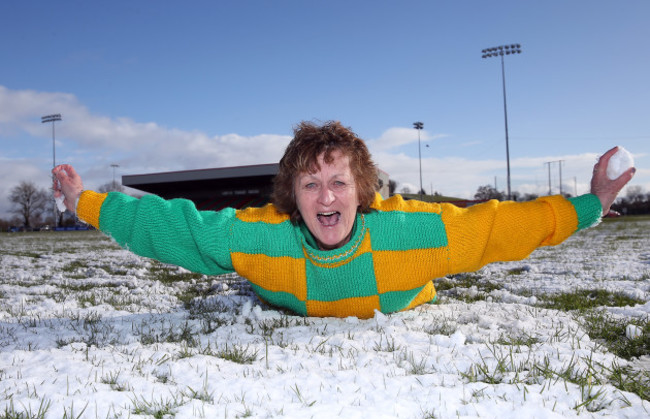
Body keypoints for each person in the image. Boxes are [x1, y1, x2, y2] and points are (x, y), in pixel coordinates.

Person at [53, 121, 635, 319]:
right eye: (310, 183)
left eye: (338, 181)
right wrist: (86, 202)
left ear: (362, 189)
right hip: (284, 297)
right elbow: (176, 227)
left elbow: (496, 227)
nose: (326, 196)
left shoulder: (414, 234)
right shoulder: (261, 236)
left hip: (406, 297)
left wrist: (587, 207)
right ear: (292, 196)